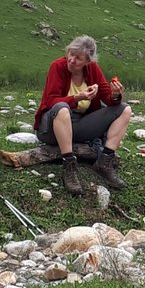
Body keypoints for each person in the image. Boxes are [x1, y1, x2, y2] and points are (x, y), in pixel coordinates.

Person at [34, 35, 133, 193]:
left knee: (124, 109)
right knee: (61, 107)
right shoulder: (57, 66)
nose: (72, 60)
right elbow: (50, 101)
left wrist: (115, 94)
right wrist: (77, 97)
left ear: (88, 61)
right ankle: (69, 167)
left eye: (78, 58)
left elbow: (108, 98)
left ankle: (104, 163)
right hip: (51, 128)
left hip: (79, 127)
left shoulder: (93, 69)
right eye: (71, 54)